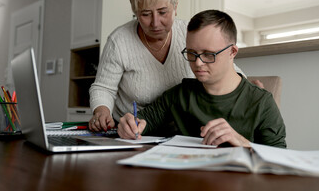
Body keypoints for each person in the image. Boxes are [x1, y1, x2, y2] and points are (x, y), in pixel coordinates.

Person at [88, 0, 245, 132]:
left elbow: (225, 69)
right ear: (135, 11)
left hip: (181, 131)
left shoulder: (189, 32)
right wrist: (102, 111)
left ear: (175, 6)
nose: (155, 23)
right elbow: (103, 87)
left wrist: (247, 86)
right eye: (145, 14)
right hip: (133, 131)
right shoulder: (119, 41)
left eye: (163, 12)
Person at [118, 10, 286, 148]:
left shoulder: (262, 102)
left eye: (208, 54)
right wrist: (129, 125)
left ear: (232, 52)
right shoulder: (179, 94)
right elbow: (141, 122)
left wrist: (244, 144)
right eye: (191, 53)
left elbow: (280, 160)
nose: (197, 63)